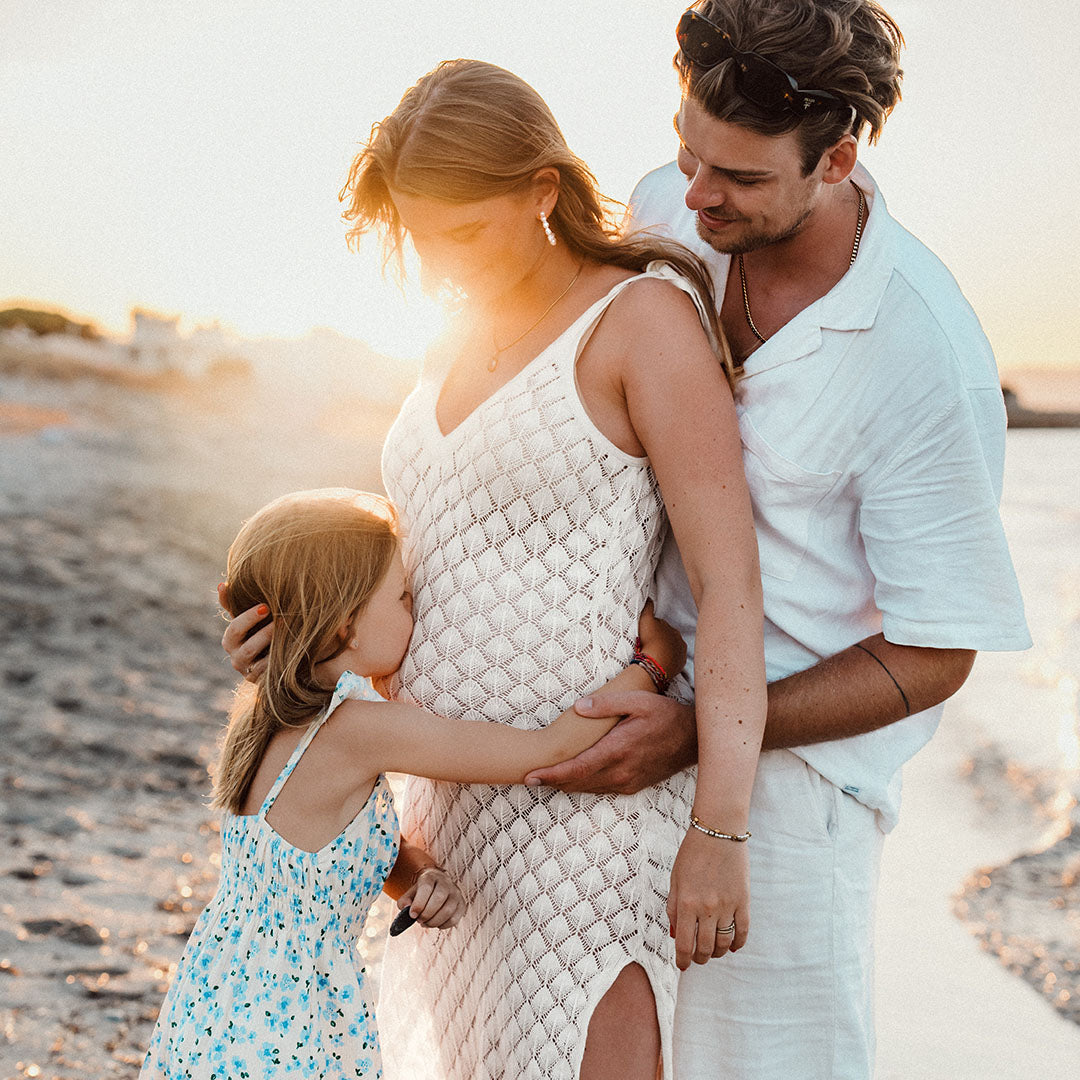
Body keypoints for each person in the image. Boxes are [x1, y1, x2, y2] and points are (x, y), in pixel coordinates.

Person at [225, 59, 766, 1080]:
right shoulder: (445, 338)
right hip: (443, 814)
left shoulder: (639, 320)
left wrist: (721, 831)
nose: (440, 267)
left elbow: (732, 588)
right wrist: (294, 634)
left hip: (588, 813)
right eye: (419, 240)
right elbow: (423, 553)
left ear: (542, 192)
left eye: (464, 234)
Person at [525, 3, 1032, 1078]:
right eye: (687, 153)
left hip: (797, 805)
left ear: (838, 158)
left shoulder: (920, 351)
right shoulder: (673, 208)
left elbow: (937, 651)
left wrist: (704, 735)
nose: (697, 194)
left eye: (741, 180)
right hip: (619, 720)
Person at [143, 488, 686, 1079]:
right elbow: (545, 750)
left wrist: (414, 875)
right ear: (348, 625)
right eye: (403, 597)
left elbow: (317, 857)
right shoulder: (360, 730)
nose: (416, 610)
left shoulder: (265, 719)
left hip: (213, 1008)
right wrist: (654, 664)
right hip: (286, 1023)